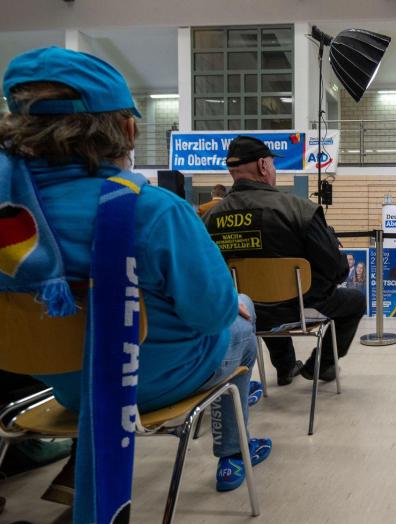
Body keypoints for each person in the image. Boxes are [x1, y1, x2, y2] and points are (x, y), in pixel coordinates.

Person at [0, 47, 269, 498]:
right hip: (152, 383)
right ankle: (233, 454)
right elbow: (212, 315)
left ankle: (82, 459)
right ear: (125, 129)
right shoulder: (154, 211)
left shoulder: (13, 219)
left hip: (61, 386)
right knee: (242, 317)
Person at [204, 135, 365, 385]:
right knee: (355, 300)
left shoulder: (210, 217)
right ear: (263, 166)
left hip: (244, 309)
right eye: (272, 163)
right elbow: (336, 268)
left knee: (261, 297)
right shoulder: (299, 209)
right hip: (299, 307)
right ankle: (321, 366)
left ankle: (286, 366)